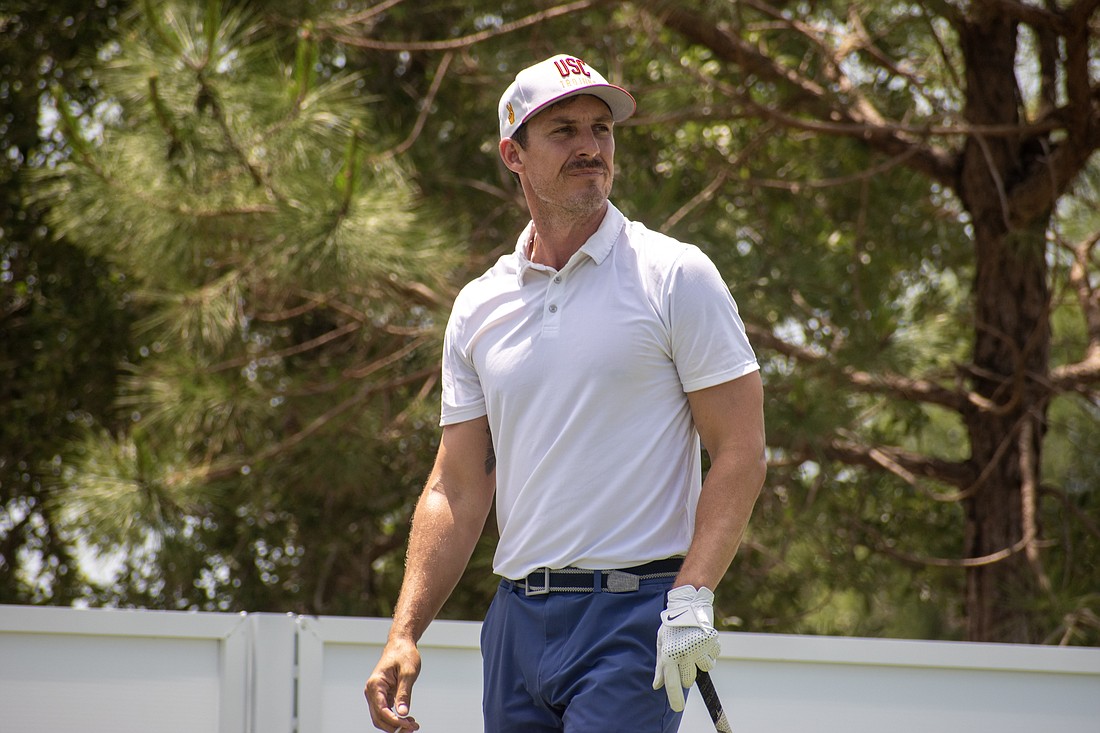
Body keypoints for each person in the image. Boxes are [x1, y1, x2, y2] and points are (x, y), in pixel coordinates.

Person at [365, 53, 766, 733]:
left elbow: (741, 450)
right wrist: (404, 630)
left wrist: (692, 595)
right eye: (564, 132)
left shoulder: (676, 275)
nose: (590, 148)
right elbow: (456, 488)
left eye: (600, 129)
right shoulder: (478, 307)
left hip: (633, 620)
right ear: (512, 154)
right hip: (516, 626)